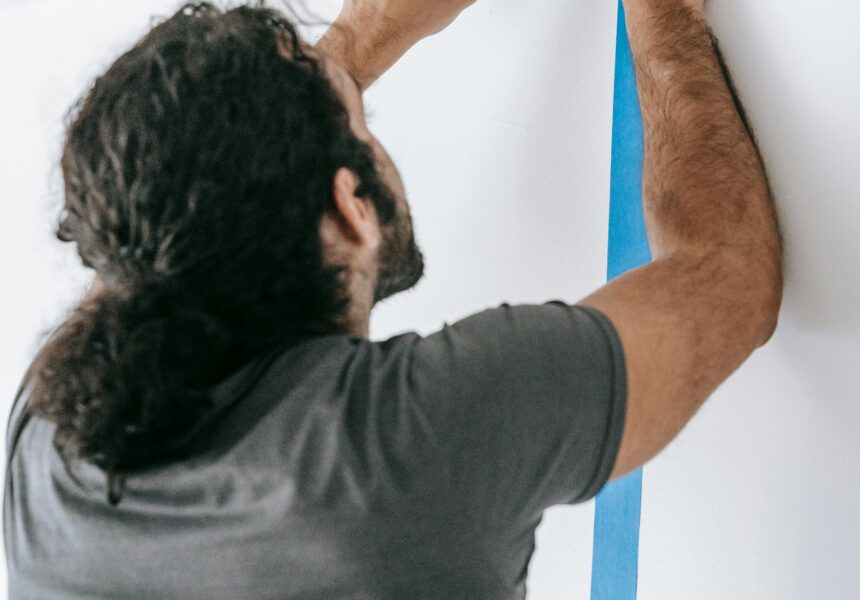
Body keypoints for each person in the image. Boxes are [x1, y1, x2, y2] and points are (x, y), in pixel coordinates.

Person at [3, 0, 782, 597]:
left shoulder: (49, 444)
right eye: (364, 130)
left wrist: (341, 58)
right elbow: (727, 268)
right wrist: (666, 14)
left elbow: (151, 224)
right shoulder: (409, 447)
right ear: (351, 208)